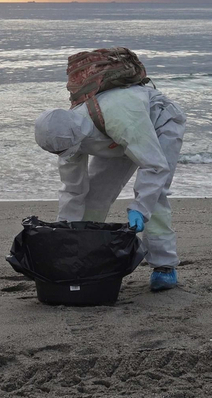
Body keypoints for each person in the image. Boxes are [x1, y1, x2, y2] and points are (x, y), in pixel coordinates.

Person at [33, 83, 187, 292]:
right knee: (95, 195)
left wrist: (140, 209)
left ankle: (164, 266)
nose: (68, 154)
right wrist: (65, 233)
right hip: (115, 140)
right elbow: (73, 189)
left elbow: (154, 166)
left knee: (154, 195)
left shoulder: (119, 118)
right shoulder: (64, 138)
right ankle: (85, 252)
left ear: (77, 135)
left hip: (159, 122)